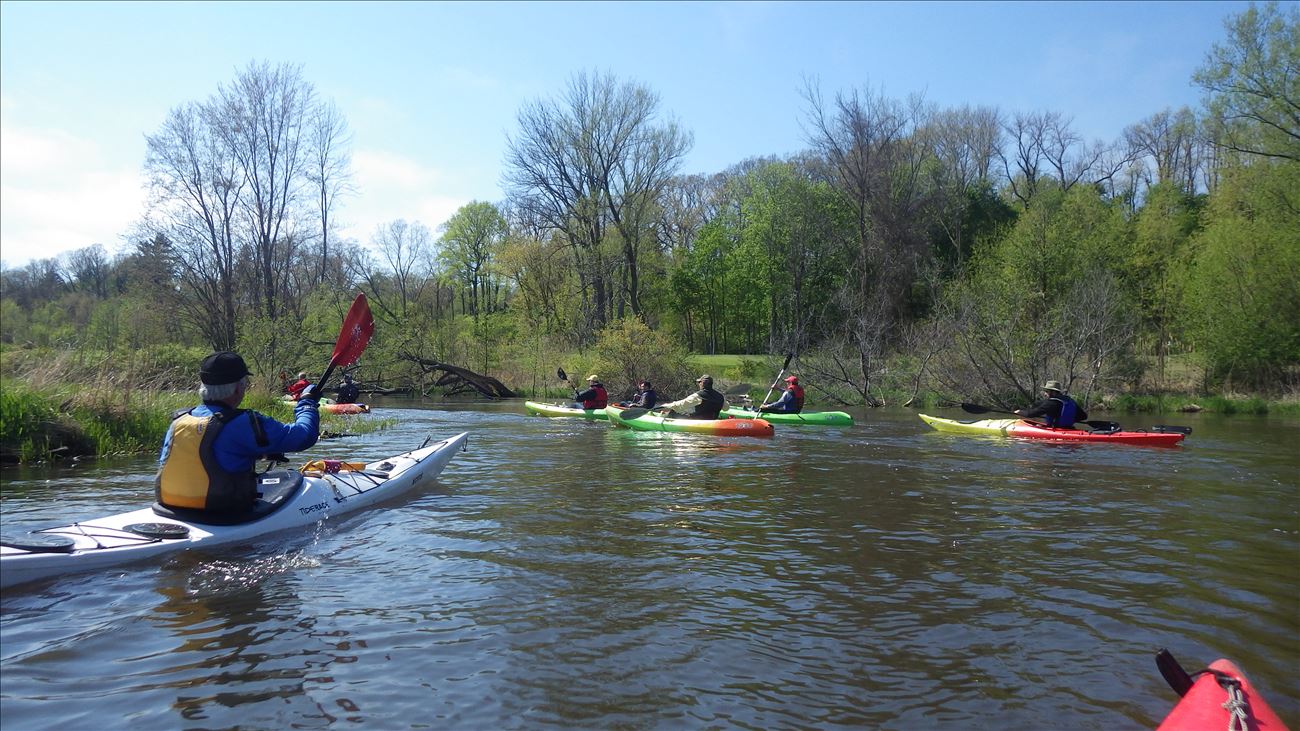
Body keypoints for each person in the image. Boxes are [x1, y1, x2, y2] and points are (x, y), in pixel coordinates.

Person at [156, 351, 321, 515]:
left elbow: (205, 456)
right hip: (222, 512)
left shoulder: (179, 420)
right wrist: (307, 403)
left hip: (170, 508)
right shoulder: (243, 422)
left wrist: (260, 453)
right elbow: (304, 436)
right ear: (237, 389)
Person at [1015, 379, 1088, 428]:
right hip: (1070, 429)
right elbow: (1083, 416)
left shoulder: (1050, 403)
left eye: (1047, 391)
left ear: (1053, 392)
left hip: (1056, 430)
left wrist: (1019, 412)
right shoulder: (1069, 400)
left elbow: (1030, 414)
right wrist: (1069, 418)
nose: (1045, 393)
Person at [658, 374, 726, 420]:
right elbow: (726, 408)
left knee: (672, 411)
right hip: (713, 420)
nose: (699, 384)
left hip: (699, 422)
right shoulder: (720, 396)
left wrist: (667, 405)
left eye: (699, 382)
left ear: (702, 384)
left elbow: (681, 404)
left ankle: (662, 417)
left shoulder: (698, 395)